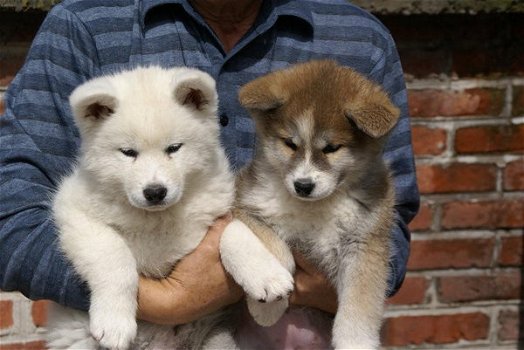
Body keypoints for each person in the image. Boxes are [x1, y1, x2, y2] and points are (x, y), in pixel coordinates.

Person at [0, 0, 419, 345]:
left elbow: (387, 235)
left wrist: (280, 279)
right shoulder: (83, 26)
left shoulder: (360, 39)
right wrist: (165, 299)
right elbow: (10, 222)